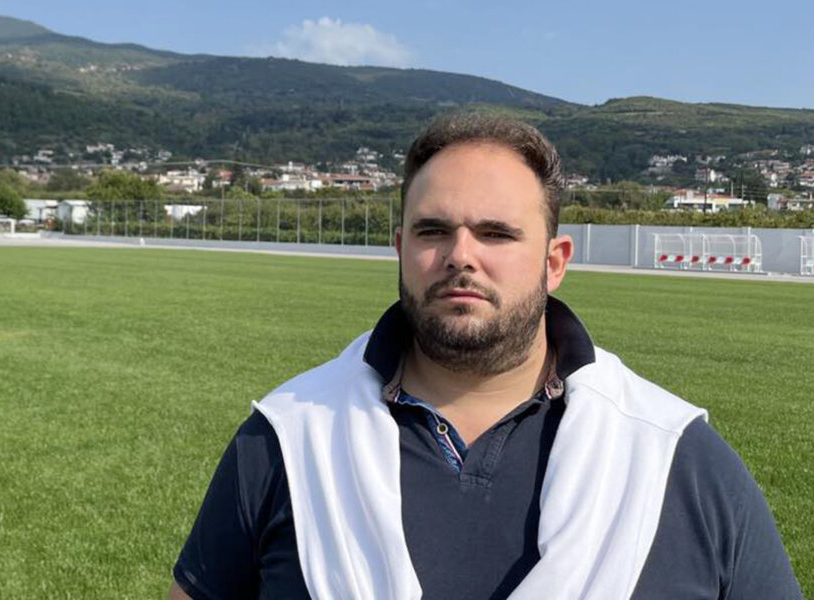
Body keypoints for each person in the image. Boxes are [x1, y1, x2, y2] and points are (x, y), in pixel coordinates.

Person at [169, 112, 801, 599]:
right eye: (433, 231)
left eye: (496, 233)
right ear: (400, 248)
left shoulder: (673, 455)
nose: (460, 256)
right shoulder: (287, 436)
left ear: (555, 262)